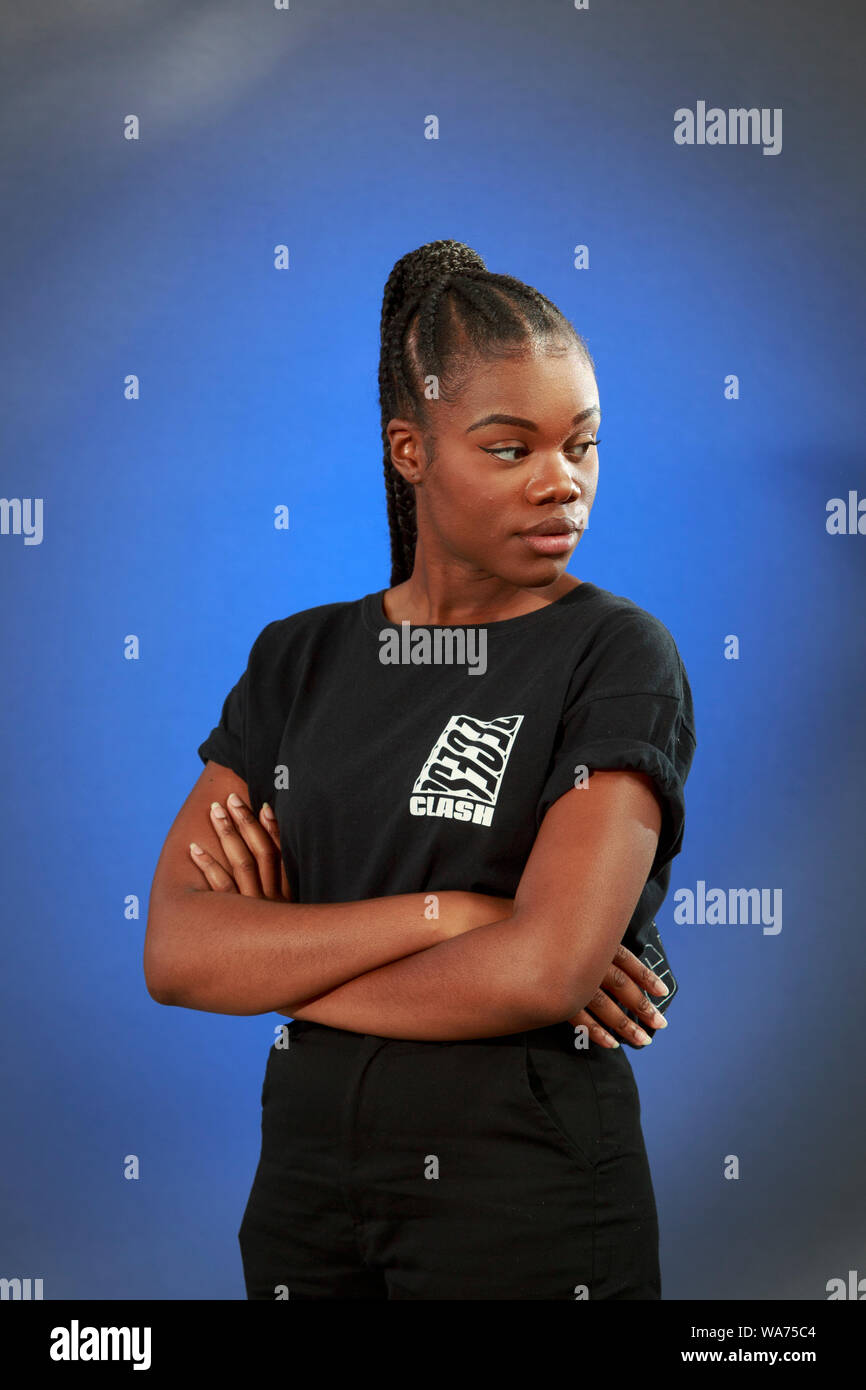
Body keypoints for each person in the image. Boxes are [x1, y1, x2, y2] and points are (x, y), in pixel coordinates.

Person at [143, 239, 697, 1300]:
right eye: (508, 448)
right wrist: (454, 912)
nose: (560, 482)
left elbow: (546, 974)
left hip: (520, 1194)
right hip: (307, 1196)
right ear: (410, 449)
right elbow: (177, 953)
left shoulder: (615, 654)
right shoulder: (296, 659)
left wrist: (287, 969)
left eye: (581, 444)